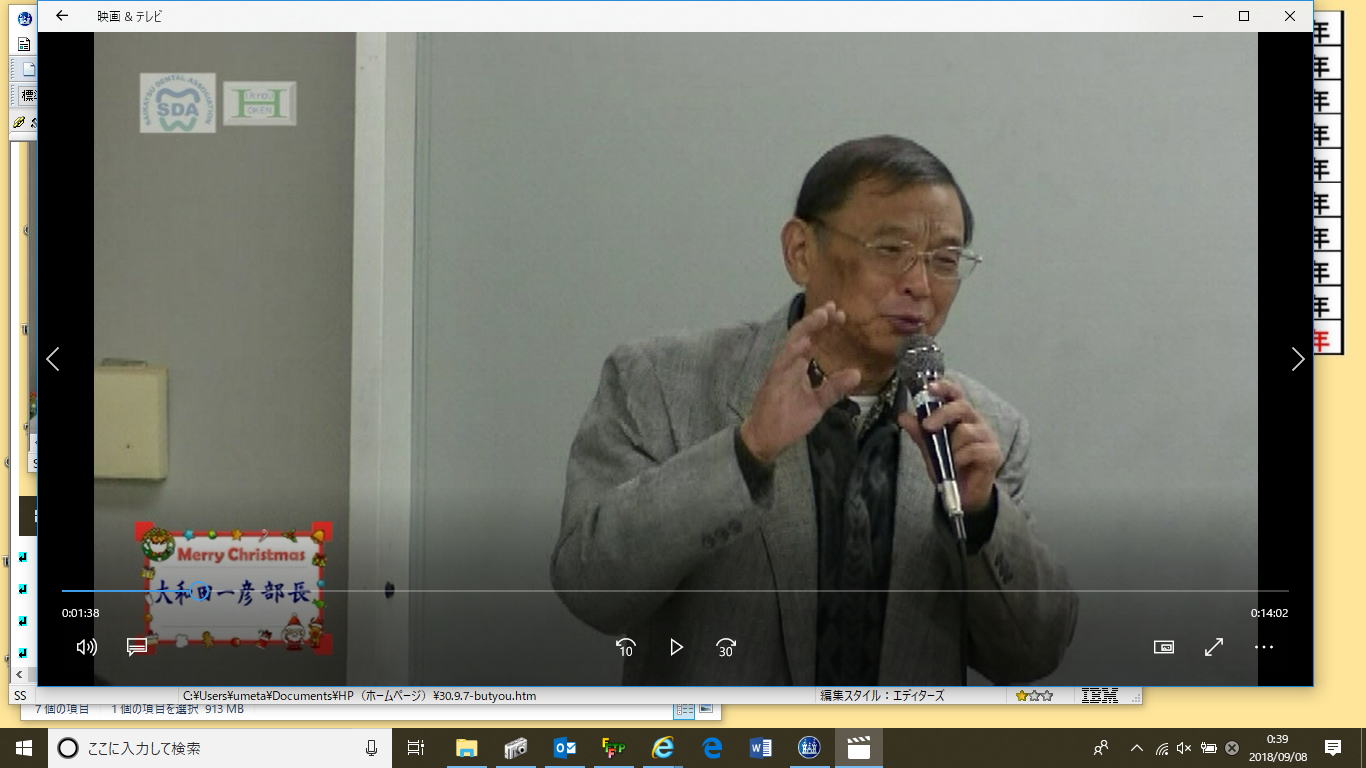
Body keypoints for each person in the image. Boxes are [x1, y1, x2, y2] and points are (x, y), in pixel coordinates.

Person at [551, 135, 1077, 685]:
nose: (920, 286)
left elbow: (1032, 656)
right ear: (801, 251)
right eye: (890, 250)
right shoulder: (661, 382)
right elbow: (591, 591)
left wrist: (981, 515)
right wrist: (747, 451)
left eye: (945, 260)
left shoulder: (985, 433)